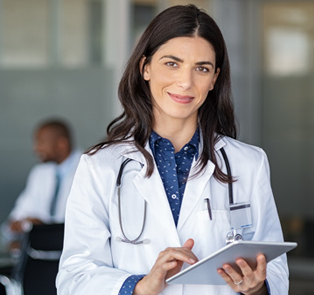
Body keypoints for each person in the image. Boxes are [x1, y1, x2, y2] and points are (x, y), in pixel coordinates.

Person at [57, 5, 288, 295]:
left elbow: (275, 270)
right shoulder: (100, 165)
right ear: (146, 68)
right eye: (172, 63)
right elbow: (73, 277)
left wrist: (257, 288)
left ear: (214, 78)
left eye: (201, 68)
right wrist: (139, 287)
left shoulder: (248, 163)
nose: (185, 82)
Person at [3, 119, 81, 237]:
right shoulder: (40, 173)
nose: (36, 149)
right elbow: (19, 213)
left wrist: (44, 226)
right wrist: (18, 223)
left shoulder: (88, 170)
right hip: (40, 249)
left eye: (41, 143)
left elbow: (83, 223)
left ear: (61, 144)